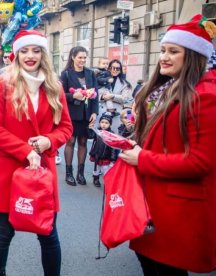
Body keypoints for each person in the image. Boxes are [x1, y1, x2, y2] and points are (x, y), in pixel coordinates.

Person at [119, 14, 216, 274]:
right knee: (150, 264)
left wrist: (142, 159)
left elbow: (200, 162)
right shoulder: (168, 88)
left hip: (176, 209)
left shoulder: (206, 97)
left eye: (173, 51)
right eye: (163, 50)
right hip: (152, 202)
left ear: (194, 56)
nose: (164, 57)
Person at [0, 30, 73, 276]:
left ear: (43, 53)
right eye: (24, 50)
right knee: (4, 232)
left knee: (48, 233)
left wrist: (48, 141)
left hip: (42, 170)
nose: (30, 56)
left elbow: (66, 127)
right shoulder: (2, 84)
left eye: (35, 50)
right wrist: (25, 150)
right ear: (17, 54)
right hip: (9, 169)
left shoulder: (54, 86)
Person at [60, 46, 98, 186]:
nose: (82, 60)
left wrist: (94, 112)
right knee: (70, 142)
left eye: (84, 57)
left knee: (83, 142)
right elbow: (60, 94)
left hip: (86, 114)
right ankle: (69, 174)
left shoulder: (90, 73)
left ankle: (80, 174)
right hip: (71, 114)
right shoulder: (66, 74)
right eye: (80, 57)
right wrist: (72, 96)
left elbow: (95, 94)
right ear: (73, 57)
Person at [99, 59, 132, 130]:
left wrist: (113, 96)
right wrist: (102, 97)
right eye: (113, 68)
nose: (115, 70)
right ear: (109, 68)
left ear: (120, 70)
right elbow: (94, 94)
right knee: (100, 139)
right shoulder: (100, 80)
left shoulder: (125, 84)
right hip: (102, 115)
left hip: (116, 115)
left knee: (115, 138)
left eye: (118, 68)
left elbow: (125, 99)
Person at [88, 112, 116, 187]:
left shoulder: (111, 134)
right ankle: (96, 179)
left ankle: (107, 181)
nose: (104, 124)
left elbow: (113, 147)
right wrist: (90, 129)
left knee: (106, 169)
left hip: (106, 156)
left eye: (106, 123)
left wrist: (113, 158)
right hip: (97, 154)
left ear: (110, 124)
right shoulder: (97, 132)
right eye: (102, 122)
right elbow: (90, 136)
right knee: (96, 168)